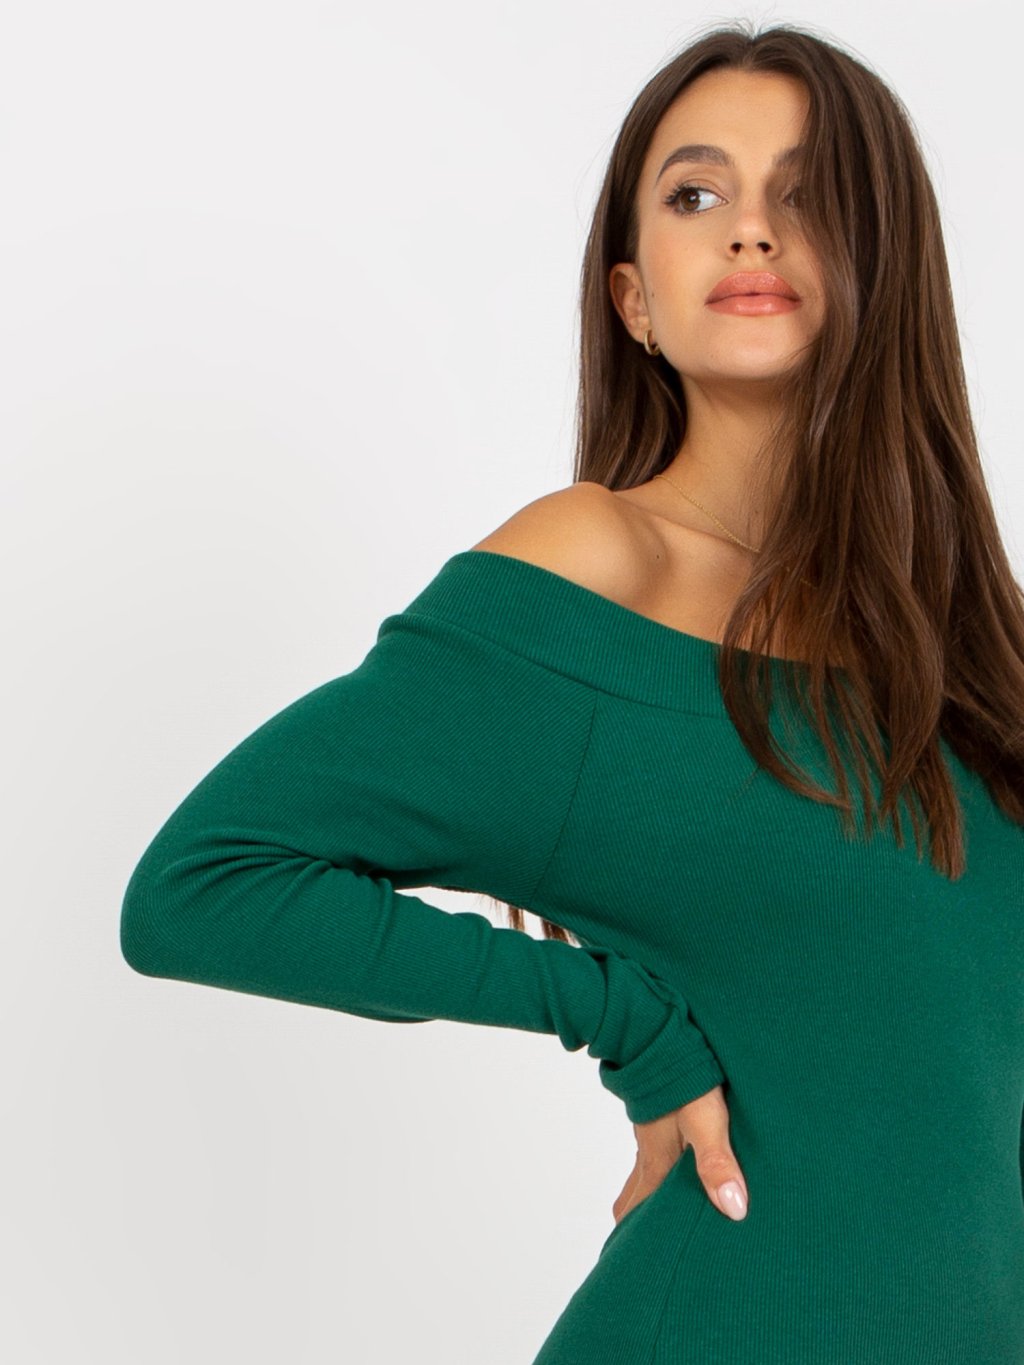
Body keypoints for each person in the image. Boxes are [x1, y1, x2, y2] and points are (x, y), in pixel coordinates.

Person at [120, 19, 1024, 1363]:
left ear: (885, 265)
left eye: (810, 194)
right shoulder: (598, 569)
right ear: (634, 300)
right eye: (697, 195)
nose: (752, 230)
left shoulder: (964, 642)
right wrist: (621, 1018)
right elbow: (203, 885)